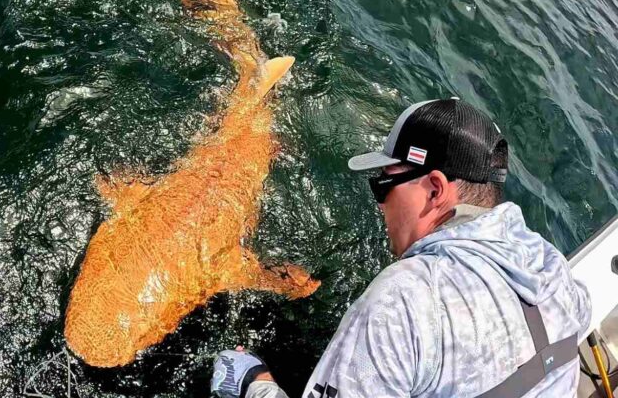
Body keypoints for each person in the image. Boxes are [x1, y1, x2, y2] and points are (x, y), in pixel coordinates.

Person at [210, 98, 592, 398]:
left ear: (436, 189)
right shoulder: (550, 266)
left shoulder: (403, 300)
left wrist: (256, 384)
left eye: (384, 185)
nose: (380, 204)